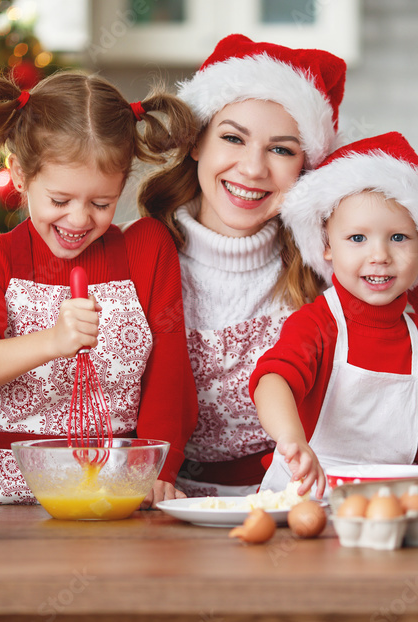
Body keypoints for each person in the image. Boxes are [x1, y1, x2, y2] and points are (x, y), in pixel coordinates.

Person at [0, 70, 199, 507]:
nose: (79, 220)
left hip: (116, 492)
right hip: (8, 498)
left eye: (101, 203)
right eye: (60, 200)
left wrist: (159, 470)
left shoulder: (146, 249)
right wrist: (52, 341)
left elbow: (169, 374)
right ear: (20, 175)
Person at [137, 34, 347, 497]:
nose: (253, 169)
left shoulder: (327, 273)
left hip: (289, 502)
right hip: (158, 501)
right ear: (196, 144)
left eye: (281, 149)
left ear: (305, 169)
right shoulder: (140, 256)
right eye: (233, 138)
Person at [250, 132, 418, 498]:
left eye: (399, 238)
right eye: (358, 238)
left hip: (396, 510)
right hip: (307, 497)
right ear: (327, 246)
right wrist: (292, 440)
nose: (380, 256)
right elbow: (273, 382)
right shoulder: (317, 323)